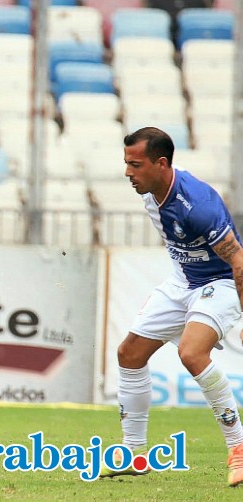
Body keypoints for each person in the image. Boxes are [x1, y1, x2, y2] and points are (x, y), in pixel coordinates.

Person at [99, 127, 243, 487]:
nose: (128, 173)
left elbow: (238, 260)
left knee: (192, 353)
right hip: (182, 282)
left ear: (161, 163)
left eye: (135, 165)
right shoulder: (150, 191)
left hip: (219, 282)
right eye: (126, 164)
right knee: (129, 353)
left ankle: (238, 447)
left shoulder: (199, 208)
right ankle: (133, 453)